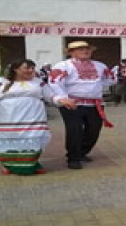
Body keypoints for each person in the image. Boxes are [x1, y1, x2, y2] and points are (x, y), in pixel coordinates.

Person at [0, 59, 73, 175]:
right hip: (7, 116)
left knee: (33, 139)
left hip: (33, 116)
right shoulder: (0, 81)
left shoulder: (38, 82)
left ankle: (32, 163)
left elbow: (51, 96)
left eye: (33, 68)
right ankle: (8, 165)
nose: (31, 71)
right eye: (27, 68)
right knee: (8, 140)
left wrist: (63, 100)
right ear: (15, 69)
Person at [48, 41, 116, 170]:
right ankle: (73, 158)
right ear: (71, 52)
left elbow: (111, 79)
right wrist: (64, 98)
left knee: (94, 130)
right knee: (75, 130)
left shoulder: (100, 66)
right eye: (80, 49)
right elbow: (54, 82)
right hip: (72, 103)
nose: (85, 51)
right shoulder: (63, 66)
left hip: (94, 103)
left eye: (87, 49)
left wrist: (98, 88)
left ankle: (82, 152)